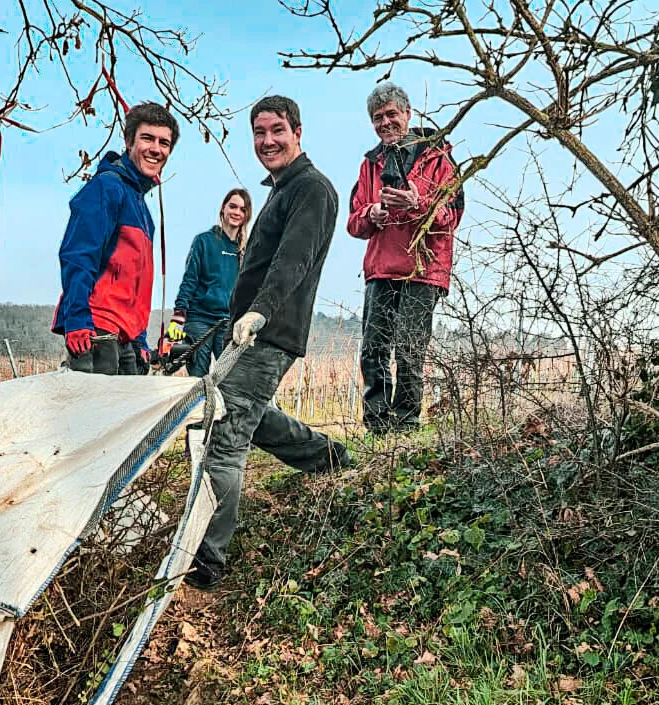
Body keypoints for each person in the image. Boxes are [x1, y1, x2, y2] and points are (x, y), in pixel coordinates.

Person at [187, 96, 349, 591]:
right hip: (251, 330)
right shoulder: (281, 191)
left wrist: (260, 310)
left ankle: (206, 559)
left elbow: (292, 261)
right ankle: (330, 459)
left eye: (277, 130)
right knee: (249, 419)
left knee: (225, 441)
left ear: (297, 132)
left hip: (268, 331)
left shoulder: (312, 190)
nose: (267, 141)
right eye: (259, 133)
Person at [347, 82, 463, 433]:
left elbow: (452, 215)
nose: (385, 123)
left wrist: (419, 204)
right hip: (381, 268)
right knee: (374, 350)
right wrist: (373, 214)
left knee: (410, 351)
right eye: (378, 118)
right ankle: (378, 425)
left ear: (408, 114)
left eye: (391, 114)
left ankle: (407, 423)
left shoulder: (439, 159)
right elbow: (353, 222)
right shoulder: (369, 165)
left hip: (423, 270)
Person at [52, 101, 178, 375]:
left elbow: (138, 284)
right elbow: (78, 257)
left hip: (128, 337)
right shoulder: (106, 188)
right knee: (93, 414)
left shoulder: (143, 210)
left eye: (164, 143)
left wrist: (141, 340)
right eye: (147, 138)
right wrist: (77, 321)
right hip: (97, 330)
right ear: (129, 141)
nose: (156, 149)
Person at [167, 188, 254, 376]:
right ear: (223, 209)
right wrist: (177, 318)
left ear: (246, 216)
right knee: (198, 378)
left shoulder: (246, 252)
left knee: (230, 378)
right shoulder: (204, 242)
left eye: (242, 209)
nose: (237, 212)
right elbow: (189, 281)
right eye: (233, 206)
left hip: (229, 323)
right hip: (200, 320)